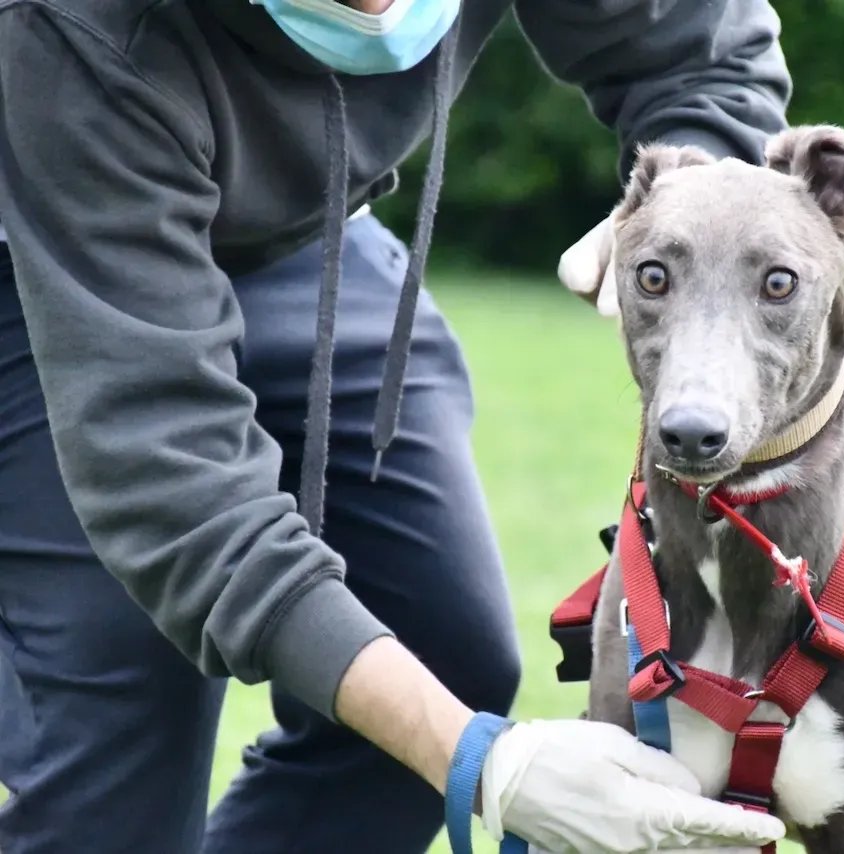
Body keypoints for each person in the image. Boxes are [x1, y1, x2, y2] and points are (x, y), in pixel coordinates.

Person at [0, 1, 793, 852]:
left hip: (310, 244)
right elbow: (180, 494)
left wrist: (684, 214)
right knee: (118, 748)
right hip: (50, 262)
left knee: (443, 652)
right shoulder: (72, 27)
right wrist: (481, 763)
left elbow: (699, 51)